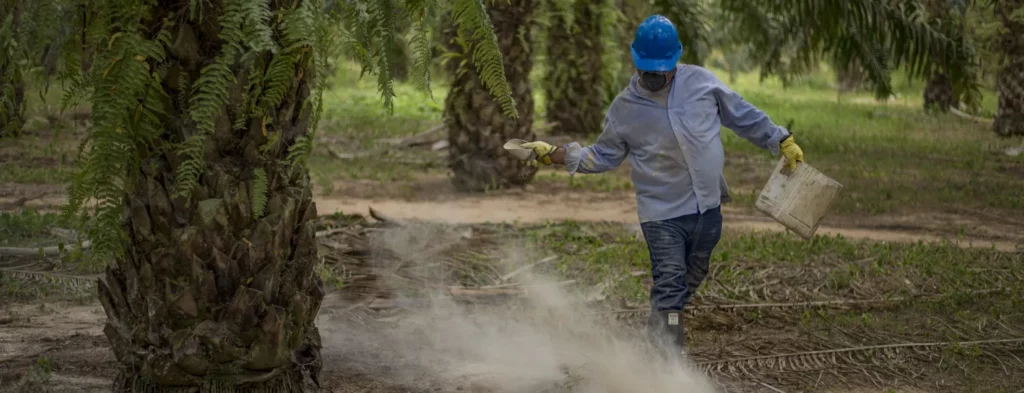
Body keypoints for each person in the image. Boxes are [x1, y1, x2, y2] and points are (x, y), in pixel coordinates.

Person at [516, 14, 805, 358]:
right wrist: (556, 155)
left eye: (661, 69)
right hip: (661, 214)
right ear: (635, 62)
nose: (654, 76)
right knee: (670, 281)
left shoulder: (703, 84)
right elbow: (603, 154)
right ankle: (667, 365)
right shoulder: (625, 108)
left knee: (691, 276)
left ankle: (655, 337)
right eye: (647, 69)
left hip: (708, 208)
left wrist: (780, 139)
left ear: (675, 61)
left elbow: (743, 116)